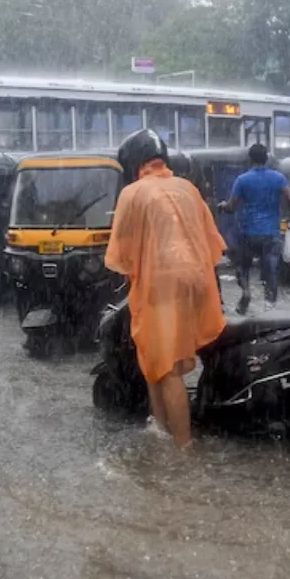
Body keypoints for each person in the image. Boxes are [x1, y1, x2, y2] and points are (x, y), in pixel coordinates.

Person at [105, 130, 227, 449]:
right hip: (196, 278)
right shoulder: (188, 187)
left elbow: (123, 251)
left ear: (134, 161)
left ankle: (182, 449)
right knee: (153, 355)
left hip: (163, 282)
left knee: (168, 366)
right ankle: (159, 428)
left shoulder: (133, 193)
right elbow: (210, 237)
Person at [219, 144, 290, 314]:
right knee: (271, 268)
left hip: (248, 232)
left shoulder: (242, 180)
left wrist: (223, 206)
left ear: (250, 159)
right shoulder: (278, 178)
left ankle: (246, 292)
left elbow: (232, 206)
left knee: (242, 266)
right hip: (271, 234)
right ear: (266, 159)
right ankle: (269, 306)